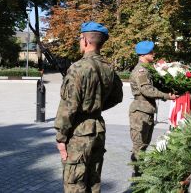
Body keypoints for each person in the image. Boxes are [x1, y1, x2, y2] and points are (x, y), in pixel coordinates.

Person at [54, 21, 123, 192]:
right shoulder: (109, 69)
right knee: (93, 182)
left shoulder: (77, 68)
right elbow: (117, 97)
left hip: (79, 133)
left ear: (85, 40)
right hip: (98, 130)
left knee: (75, 184)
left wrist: (61, 137)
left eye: (80, 39)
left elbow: (69, 107)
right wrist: (95, 106)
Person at [129, 41, 176, 176]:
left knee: (144, 145)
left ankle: (140, 174)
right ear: (144, 54)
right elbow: (147, 90)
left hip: (146, 110)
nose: (153, 54)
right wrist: (166, 96)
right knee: (139, 146)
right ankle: (137, 177)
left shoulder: (147, 69)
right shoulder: (141, 71)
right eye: (151, 52)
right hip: (140, 112)